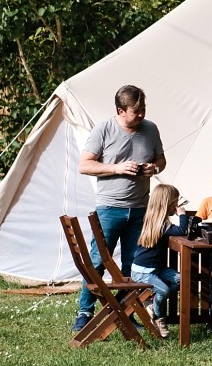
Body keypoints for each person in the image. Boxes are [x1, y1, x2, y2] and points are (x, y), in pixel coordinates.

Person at [72, 84, 166, 334]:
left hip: (140, 209)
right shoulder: (103, 129)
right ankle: (84, 313)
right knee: (97, 262)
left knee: (132, 265)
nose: (142, 114)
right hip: (110, 208)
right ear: (120, 110)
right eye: (136, 111)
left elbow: (161, 160)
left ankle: (128, 313)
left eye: (143, 109)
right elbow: (84, 166)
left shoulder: (151, 129)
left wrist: (153, 169)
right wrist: (116, 168)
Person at [131, 183, 187, 339]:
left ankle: (152, 302)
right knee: (164, 290)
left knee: (182, 280)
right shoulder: (162, 225)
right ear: (167, 204)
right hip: (142, 272)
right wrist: (182, 213)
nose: (176, 205)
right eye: (175, 202)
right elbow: (183, 231)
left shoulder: (155, 221)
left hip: (157, 269)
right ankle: (157, 317)